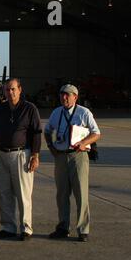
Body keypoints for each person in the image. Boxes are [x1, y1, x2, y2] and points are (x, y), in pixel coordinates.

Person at [44, 84, 101, 242]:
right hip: (61, 156)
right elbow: (47, 131)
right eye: (62, 95)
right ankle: (63, 227)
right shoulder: (57, 113)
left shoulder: (84, 112)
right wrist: (51, 146)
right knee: (62, 194)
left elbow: (96, 133)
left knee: (81, 193)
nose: (64, 97)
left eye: (68, 95)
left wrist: (85, 142)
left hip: (78, 156)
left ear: (75, 97)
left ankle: (83, 229)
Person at [0, 78, 42, 241]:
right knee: (4, 193)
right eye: (7, 90)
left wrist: (35, 155)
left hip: (21, 155)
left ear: (20, 89)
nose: (10, 92)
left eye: (13, 89)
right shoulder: (1, 108)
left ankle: (26, 228)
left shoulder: (29, 108)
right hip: (1, 154)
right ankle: (8, 227)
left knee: (23, 193)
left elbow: (36, 133)